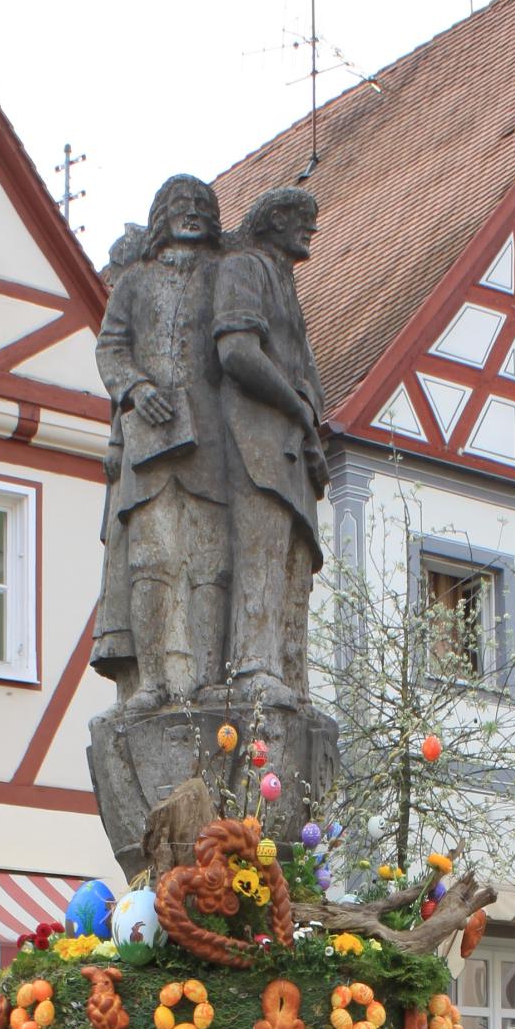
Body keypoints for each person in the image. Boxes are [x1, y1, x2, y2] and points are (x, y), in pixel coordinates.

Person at [91, 176, 229, 705]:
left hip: (209, 440)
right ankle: (150, 680)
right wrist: (136, 387)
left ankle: (211, 677)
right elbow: (111, 346)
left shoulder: (221, 276)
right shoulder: (135, 282)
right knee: (150, 561)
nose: (190, 212)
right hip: (148, 440)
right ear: (160, 216)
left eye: (200, 205)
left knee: (211, 561)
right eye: (179, 204)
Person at [214, 185, 329, 701]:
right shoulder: (244, 268)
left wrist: (307, 406)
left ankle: (289, 673)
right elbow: (237, 351)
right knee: (260, 545)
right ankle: (253, 666)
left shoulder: (288, 283)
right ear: (273, 221)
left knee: (294, 563)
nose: (311, 228)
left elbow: (308, 370)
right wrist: (293, 404)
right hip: (256, 434)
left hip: (291, 444)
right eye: (301, 217)